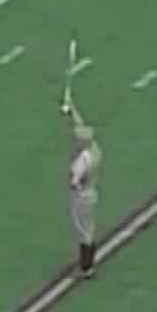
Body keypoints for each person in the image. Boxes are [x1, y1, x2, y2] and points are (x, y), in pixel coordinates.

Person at [63, 99, 103, 280]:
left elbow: (74, 181)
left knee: (83, 231)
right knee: (89, 229)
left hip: (81, 196)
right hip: (92, 193)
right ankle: (88, 264)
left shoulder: (83, 160)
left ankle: (86, 267)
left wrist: (73, 184)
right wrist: (72, 109)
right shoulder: (95, 149)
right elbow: (80, 125)